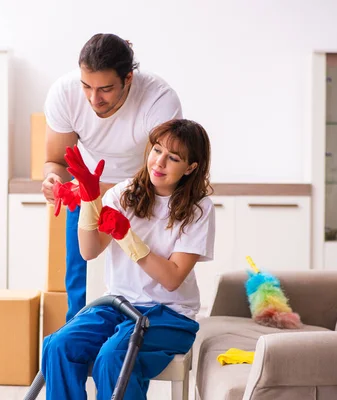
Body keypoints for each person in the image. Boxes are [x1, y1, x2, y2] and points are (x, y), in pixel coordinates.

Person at [42, 118, 215, 399]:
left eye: (173, 158)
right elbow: (89, 251)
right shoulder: (124, 193)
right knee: (59, 345)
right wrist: (89, 199)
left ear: (191, 167)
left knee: (115, 356)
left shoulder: (198, 209)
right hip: (118, 306)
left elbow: (171, 278)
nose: (159, 162)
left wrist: (127, 237)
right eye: (157, 150)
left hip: (169, 316)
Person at [41, 33, 183, 321]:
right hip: (88, 195)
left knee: (143, 286)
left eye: (105, 89)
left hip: (145, 196)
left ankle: (132, 346)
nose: (94, 98)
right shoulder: (64, 93)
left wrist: (100, 190)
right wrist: (54, 181)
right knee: (80, 285)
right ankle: (79, 352)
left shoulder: (158, 100)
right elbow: (55, 161)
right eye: (86, 86)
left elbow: (164, 175)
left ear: (128, 78)